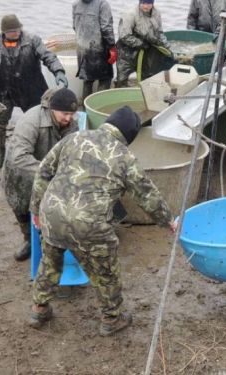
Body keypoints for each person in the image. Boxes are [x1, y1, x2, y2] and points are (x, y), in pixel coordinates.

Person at [28, 106, 176, 336]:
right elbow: (147, 195)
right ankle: (111, 318)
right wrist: (168, 221)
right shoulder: (124, 156)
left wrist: (36, 209)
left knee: (50, 261)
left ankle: (39, 308)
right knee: (106, 271)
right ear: (129, 136)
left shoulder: (75, 137)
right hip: (89, 224)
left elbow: (43, 171)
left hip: (52, 213)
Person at [0, 14, 68, 169]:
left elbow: (48, 57)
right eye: (13, 31)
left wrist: (59, 71)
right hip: (4, 91)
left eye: (18, 29)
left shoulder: (33, 40)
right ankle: (0, 154)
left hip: (32, 89)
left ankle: (42, 152)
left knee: (43, 121)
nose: (17, 32)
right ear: (4, 32)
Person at [2, 88, 79, 261]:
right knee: (21, 208)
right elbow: (19, 157)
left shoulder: (71, 123)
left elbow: (73, 149)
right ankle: (28, 240)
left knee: (49, 209)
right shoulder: (31, 120)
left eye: (72, 114)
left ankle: (51, 241)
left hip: (47, 171)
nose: (69, 118)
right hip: (20, 174)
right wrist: (51, 171)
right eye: (65, 113)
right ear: (53, 109)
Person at [116, 0, 173, 85]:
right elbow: (124, 36)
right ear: (140, 2)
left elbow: (159, 33)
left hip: (147, 50)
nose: (146, 6)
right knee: (122, 78)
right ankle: (120, 92)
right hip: (127, 51)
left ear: (153, 3)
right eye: (143, 3)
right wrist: (140, 44)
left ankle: (144, 93)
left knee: (147, 76)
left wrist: (167, 47)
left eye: (149, 3)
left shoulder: (156, 13)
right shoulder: (130, 14)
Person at [72, 0, 116, 100]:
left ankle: (85, 108)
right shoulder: (103, 4)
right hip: (98, 48)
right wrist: (112, 47)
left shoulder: (75, 4)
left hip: (81, 48)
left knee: (87, 80)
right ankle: (99, 105)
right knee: (105, 78)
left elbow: (74, 26)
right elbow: (106, 28)